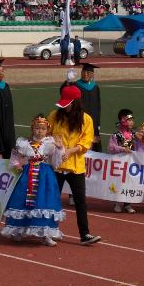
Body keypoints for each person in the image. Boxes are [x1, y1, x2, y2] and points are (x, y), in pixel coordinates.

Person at [49, 84, 101, 246]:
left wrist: (71, 150)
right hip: (56, 166)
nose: (65, 107)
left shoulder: (86, 119)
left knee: (80, 201)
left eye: (68, 104)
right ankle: (50, 230)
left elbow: (86, 143)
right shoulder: (54, 116)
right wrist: (52, 142)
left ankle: (84, 234)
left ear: (76, 102)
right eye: (63, 104)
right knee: (52, 199)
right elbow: (46, 134)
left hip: (75, 166)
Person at [0, 114, 64, 246]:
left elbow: (55, 162)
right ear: (32, 128)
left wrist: (59, 148)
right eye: (37, 128)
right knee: (22, 200)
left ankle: (45, 234)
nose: (40, 131)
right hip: (27, 175)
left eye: (43, 128)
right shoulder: (23, 143)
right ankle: (18, 231)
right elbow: (15, 156)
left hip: (44, 176)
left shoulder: (50, 143)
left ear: (47, 130)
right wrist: (17, 164)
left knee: (44, 202)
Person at [106, 108, 144, 214]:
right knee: (118, 182)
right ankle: (117, 202)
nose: (131, 122)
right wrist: (122, 149)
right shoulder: (116, 135)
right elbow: (111, 148)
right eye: (129, 120)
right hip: (119, 164)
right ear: (122, 120)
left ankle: (127, 203)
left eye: (132, 120)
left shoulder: (135, 135)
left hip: (131, 164)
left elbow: (143, 150)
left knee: (129, 182)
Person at [71, 62, 101, 151]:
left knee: (94, 142)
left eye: (88, 72)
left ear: (92, 74)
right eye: (84, 72)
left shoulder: (95, 87)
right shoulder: (76, 85)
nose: (85, 74)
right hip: (80, 118)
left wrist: (98, 123)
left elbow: (98, 106)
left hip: (93, 120)